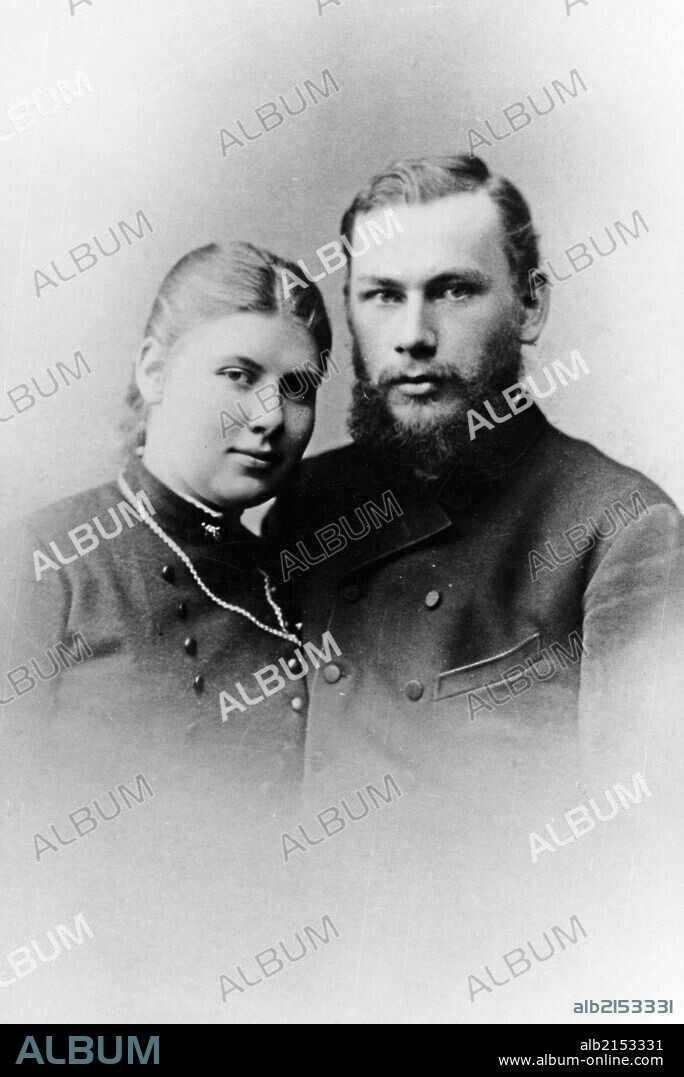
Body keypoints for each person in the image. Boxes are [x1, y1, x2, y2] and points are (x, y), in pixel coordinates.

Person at [265, 155, 684, 1022]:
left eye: (453, 291)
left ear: (530, 305)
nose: (413, 335)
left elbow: (645, 871)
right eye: (381, 295)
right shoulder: (309, 500)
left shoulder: (623, 528)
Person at [0, 240, 332, 1020]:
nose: (267, 417)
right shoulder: (43, 561)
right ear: (154, 370)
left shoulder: (297, 578)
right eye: (238, 375)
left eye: (297, 387)